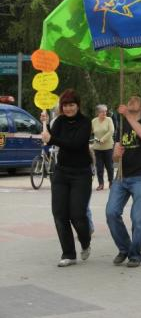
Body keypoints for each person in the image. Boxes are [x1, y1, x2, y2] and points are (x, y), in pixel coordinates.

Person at [41, 89, 93, 267]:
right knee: (60, 214)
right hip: (61, 172)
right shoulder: (60, 121)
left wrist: (53, 139)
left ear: (78, 105)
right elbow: (49, 140)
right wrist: (45, 124)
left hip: (81, 173)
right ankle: (69, 254)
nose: (69, 108)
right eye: (65, 105)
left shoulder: (85, 123)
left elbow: (76, 144)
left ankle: (85, 242)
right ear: (62, 107)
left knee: (78, 215)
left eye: (72, 105)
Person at [105, 96, 141, 267]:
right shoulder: (122, 124)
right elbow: (114, 157)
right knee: (111, 213)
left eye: (135, 101)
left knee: (138, 218)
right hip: (122, 176)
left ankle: (135, 255)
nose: (130, 102)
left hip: (140, 176)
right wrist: (116, 153)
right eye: (129, 100)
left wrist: (127, 115)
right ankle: (125, 247)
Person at [91, 104, 115, 190]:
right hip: (97, 148)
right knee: (99, 167)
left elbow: (111, 131)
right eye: (102, 111)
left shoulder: (109, 120)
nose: (104, 113)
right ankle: (101, 184)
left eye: (105, 111)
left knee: (109, 166)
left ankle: (111, 182)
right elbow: (90, 131)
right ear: (98, 112)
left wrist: (103, 139)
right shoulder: (94, 121)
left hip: (108, 147)